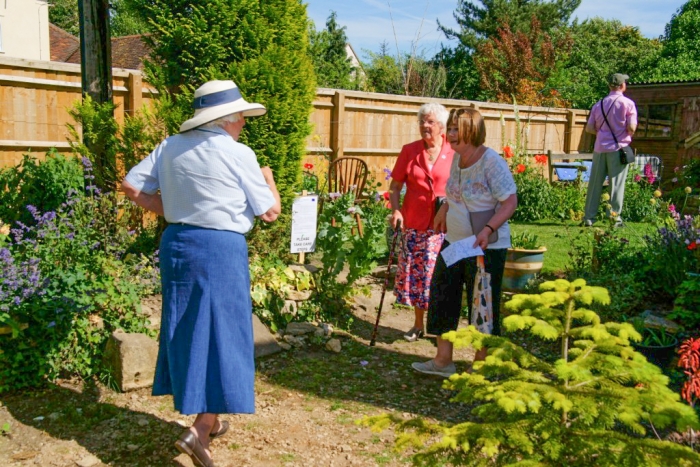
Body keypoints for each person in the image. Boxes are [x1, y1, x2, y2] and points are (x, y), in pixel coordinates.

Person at [121, 80, 281, 467]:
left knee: (190, 329)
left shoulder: (170, 147)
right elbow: (270, 212)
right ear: (227, 120)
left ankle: (210, 418)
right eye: (242, 117)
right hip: (219, 250)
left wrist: (177, 210)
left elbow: (130, 185)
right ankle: (200, 429)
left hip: (178, 245)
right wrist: (269, 178)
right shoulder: (237, 152)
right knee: (223, 334)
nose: (244, 123)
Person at [412, 107, 517, 377]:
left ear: (472, 131)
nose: (452, 133)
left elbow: (510, 202)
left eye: (457, 129)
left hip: (485, 246)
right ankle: (443, 360)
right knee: (442, 293)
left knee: (481, 302)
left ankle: (481, 366)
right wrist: (445, 209)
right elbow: (456, 194)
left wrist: (489, 228)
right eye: (452, 128)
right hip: (455, 242)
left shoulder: (491, 161)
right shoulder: (458, 160)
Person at [388, 102, 454, 342]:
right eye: (422, 121)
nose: (425, 126)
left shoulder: (454, 152)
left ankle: (439, 327)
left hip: (445, 226)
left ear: (442, 126)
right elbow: (395, 186)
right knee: (417, 277)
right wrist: (396, 210)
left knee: (438, 276)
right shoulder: (410, 151)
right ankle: (418, 325)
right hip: (414, 224)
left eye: (430, 122)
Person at [582, 73, 638, 227]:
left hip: (600, 148)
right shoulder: (628, 104)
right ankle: (614, 218)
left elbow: (589, 128)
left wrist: (603, 133)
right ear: (622, 86)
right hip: (618, 149)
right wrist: (624, 132)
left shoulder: (598, 104)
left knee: (594, 184)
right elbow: (631, 127)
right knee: (616, 185)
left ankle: (589, 218)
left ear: (609, 86)